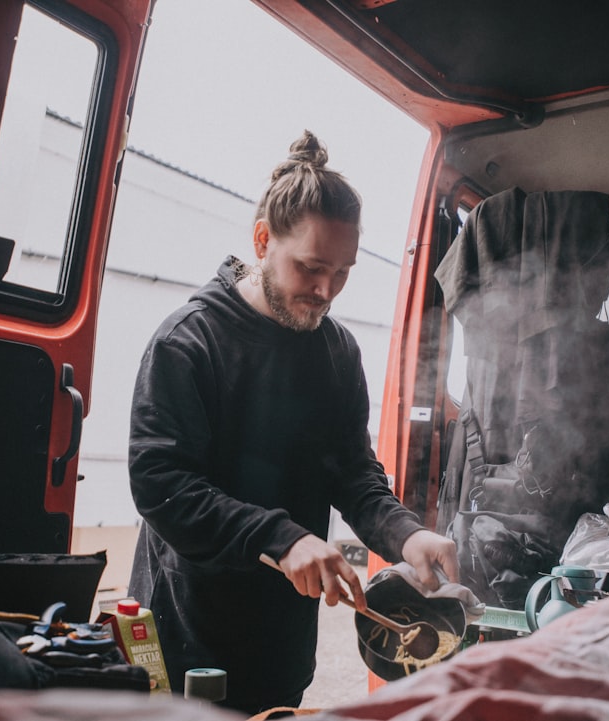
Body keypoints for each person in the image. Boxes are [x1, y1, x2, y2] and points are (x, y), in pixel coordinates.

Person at [127, 130, 458, 713]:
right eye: (310, 268)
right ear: (262, 240)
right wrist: (282, 537)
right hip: (189, 631)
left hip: (281, 641)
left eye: (343, 272)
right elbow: (162, 486)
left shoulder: (337, 353)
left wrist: (408, 535)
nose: (327, 290)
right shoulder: (190, 342)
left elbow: (352, 474)